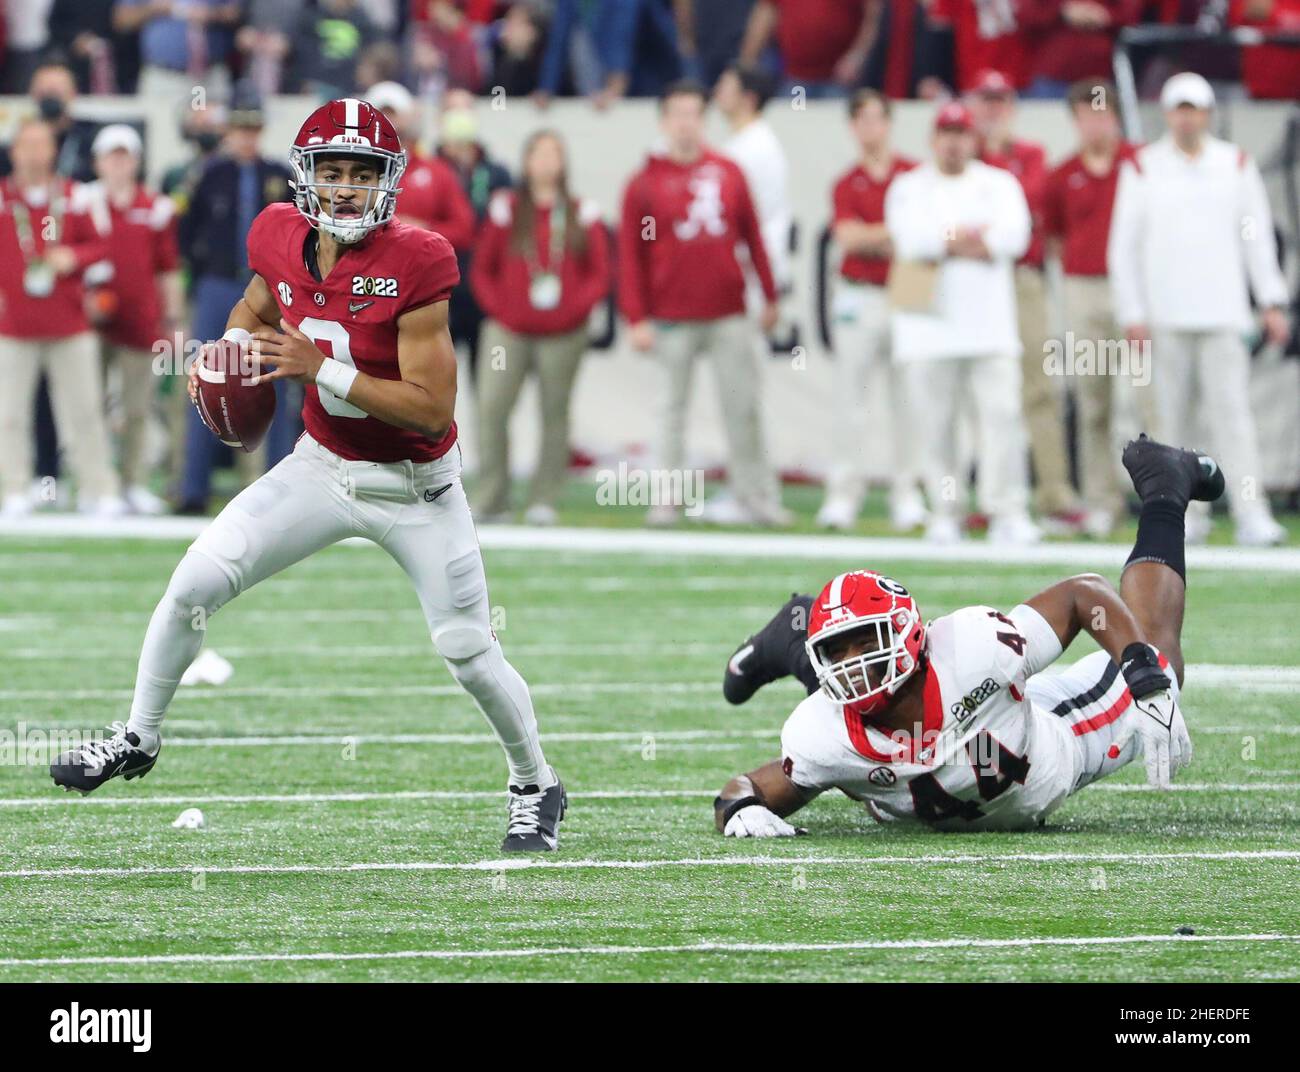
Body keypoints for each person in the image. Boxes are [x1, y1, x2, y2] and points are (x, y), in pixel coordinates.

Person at [50, 98, 567, 854]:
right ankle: (138, 735)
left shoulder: (418, 261)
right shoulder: (278, 235)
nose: (349, 188)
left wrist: (319, 367)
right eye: (334, 172)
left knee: (466, 649)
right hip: (322, 468)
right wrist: (228, 351)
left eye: (364, 174)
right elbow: (258, 303)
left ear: (388, 182)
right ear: (308, 178)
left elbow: (431, 410)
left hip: (415, 487)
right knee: (194, 581)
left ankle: (535, 782)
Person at [714, 434, 1216, 836]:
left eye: (867, 642)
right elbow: (743, 789)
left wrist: (1145, 674)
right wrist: (738, 812)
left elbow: (1083, 595)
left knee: (1161, 654)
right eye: (833, 650)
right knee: (851, 734)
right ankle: (796, 632)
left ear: (908, 635)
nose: (852, 663)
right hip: (927, 798)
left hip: (1051, 744)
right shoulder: (819, 732)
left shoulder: (975, 649)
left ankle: (1164, 488)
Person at [1109, 72, 1291, 547]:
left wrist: (1271, 299)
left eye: (1194, 108)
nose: (1186, 118)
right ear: (1167, 114)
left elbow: (1256, 241)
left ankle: (1252, 513)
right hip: (1165, 318)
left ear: (1207, 114)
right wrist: (1133, 311)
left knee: (1233, 418)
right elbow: (1123, 248)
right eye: (1178, 108)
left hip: (1223, 314)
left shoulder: (1235, 164)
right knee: (1171, 427)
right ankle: (1183, 519)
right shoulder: (1143, 168)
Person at [619, 80, 785, 527]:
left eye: (693, 113)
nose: (685, 123)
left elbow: (753, 236)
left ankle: (756, 495)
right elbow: (630, 257)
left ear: (704, 119)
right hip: (671, 315)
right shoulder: (644, 182)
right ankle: (666, 498)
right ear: (663, 121)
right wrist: (636, 317)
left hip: (728, 310)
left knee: (743, 407)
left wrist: (770, 294)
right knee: (669, 411)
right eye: (677, 113)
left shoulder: (730, 171)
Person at [885, 101, 1037, 545]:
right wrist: (966, 236)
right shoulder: (909, 186)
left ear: (974, 140)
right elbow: (911, 241)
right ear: (934, 139)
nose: (953, 143)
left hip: (991, 330)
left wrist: (947, 239)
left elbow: (1014, 237)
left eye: (962, 134)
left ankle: (1006, 510)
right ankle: (945, 511)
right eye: (946, 134)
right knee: (936, 428)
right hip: (928, 331)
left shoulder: (999, 184)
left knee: (1002, 420)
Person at [470, 131, 610, 525]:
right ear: (526, 161)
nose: (547, 162)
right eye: (540, 154)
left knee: (555, 412)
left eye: (555, 154)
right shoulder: (506, 209)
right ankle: (492, 496)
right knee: (492, 406)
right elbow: (483, 269)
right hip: (508, 330)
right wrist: (501, 311)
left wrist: (574, 312)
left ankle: (543, 497)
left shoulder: (582, 212)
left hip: (564, 333)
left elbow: (600, 273)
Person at [970, 67, 1082, 531]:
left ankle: (1054, 493)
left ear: (1012, 109)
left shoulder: (1029, 156)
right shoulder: (960, 153)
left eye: (1001, 102)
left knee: (1037, 385)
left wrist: (992, 156)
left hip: (1020, 279)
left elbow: (1024, 199)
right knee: (979, 390)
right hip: (974, 281)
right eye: (986, 102)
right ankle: (988, 494)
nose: (993, 112)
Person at [175, 91, 294, 514]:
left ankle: (281, 486)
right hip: (220, 285)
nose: (247, 137)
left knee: (276, 383)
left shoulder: (280, 176)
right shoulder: (210, 175)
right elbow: (185, 232)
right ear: (229, 131)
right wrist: (204, 268)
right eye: (241, 128)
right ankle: (193, 488)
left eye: (254, 129)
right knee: (206, 381)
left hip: (270, 292)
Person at [0, 118, 122, 518]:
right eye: (26, 145)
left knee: (85, 410)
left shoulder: (76, 196)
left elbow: (103, 246)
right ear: (14, 151)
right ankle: (12, 487)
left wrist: (74, 257)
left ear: (53, 150)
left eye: (41, 145)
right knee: (9, 413)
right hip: (13, 326)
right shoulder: (4, 198)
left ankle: (97, 487)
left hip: (70, 324)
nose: (34, 154)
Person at [1041, 80, 1146, 539]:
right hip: (1085, 289)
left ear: (1117, 118)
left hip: (1139, 291)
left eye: (1102, 114)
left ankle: (1162, 497)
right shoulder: (1063, 175)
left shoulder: (1140, 166)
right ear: (1075, 121)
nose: (1095, 124)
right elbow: (1055, 238)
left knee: (1147, 400)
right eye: (1086, 115)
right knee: (1093, 401)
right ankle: (1102, 500)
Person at [816, 89, 923, 533]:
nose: (870, 129)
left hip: (907, 290)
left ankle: (909, 493)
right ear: (853, 127)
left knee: (910, 400)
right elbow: (848, 238)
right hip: (859, 293)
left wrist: (877, 234)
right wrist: (889, 234)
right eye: (862, 120)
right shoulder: (846, 183)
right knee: (851, 400)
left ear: (889, 124)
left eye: (877, 119)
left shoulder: (913, 176)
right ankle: (843, 494)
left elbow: (917, 235)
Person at [86, 124, 184, 515]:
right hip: (89, 320)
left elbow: (168, 267)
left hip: (141, 320)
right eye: (112, 155)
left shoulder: (156, 207)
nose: (118, 163)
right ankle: (97, 484)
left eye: (125, 156)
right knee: (88, 407)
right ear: (98, 162)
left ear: (137, 161)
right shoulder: (82, 202)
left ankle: (133, 481)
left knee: (137, 408)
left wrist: (173, 317)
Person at [364, 81, 474, 251]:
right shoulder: (348, 172)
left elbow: (464, 230)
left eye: (392, 113)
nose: (387, 121)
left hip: (418, 269)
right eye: (379, 114)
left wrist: (422, 229)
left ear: (408, 117)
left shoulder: (437, 172)